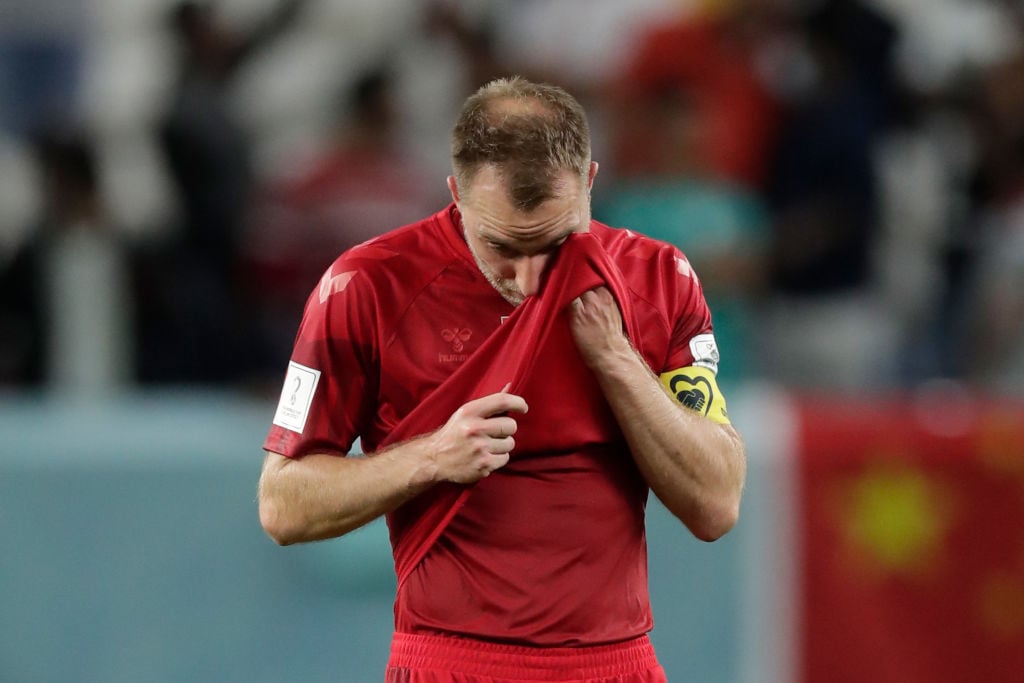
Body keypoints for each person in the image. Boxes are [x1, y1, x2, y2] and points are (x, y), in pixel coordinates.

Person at [258, 77, 746, 682]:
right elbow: (283, 504)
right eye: (501, 247)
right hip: (451, 662)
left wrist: (617, 360)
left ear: (590, 183)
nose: (530, 280)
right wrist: (432, 455)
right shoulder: (364, 288)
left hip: (616, 665)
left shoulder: (658, 279)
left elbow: (717, 503)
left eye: (555, 243)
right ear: (454, 195)